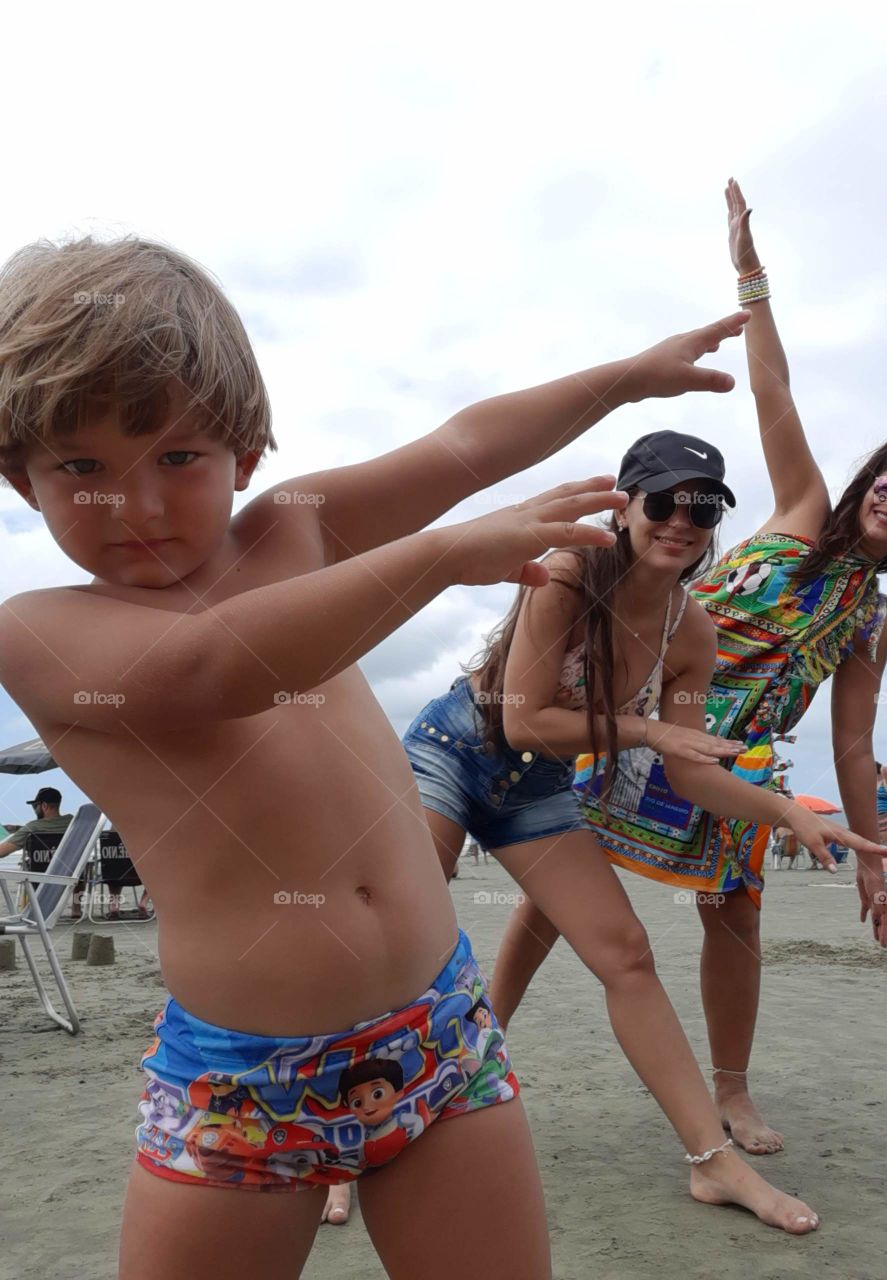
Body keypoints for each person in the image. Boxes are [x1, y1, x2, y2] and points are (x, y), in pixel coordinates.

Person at [0, 229, 751, 1280]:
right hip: (249, 1078)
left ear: (243, 454)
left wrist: (621, 380)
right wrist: (442, 556)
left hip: (439, 1028)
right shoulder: (38, 629)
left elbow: (461, 449)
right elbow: (210, 670)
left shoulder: (291, 531)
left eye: (177, 455)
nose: (139, 502)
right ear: (22, 479)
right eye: (81, 466)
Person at [491, 177, 887, 1161]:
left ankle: (732, 1092)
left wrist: (873, 855)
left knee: (733, 910)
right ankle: (482, 1045)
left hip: (734, 752)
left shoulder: (871, 617)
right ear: (868, 478)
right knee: (548, 891)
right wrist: (751, 276)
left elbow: (856, 739)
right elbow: (773, 390)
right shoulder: (798, 510)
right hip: (638, 709)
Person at [404, 429, 887, 1234]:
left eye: (702, 508)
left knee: (626, 953)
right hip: (454, 752)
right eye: (663, 501)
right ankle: (346, 1153)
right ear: (626, 505)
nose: (682, 520)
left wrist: (788, 815)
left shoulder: (690, 633)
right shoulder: (568, 573)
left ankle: (713, 1163)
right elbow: (525, 720)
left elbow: (694, 773)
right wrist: (656, 734)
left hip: (540, 788)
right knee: (407, 936)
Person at [0, 787, 80, 915]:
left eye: (35, 806)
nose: (35, 810)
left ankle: (36, 908)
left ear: (44, 806)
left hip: (41, 875)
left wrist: (22, 830)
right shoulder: (74, 823)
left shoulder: (32, 828)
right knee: (83, 866)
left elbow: (2, 852)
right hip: (72, 873)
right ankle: (77, 910)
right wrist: (17, 828)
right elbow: (52, 826)